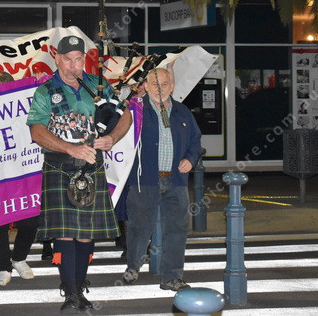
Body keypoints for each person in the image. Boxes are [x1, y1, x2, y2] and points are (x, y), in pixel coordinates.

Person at [26, 35, 132, 312]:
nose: (74, 66)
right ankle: (71, 292)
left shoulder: (98, 85)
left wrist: (112, 138)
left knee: (86, 234)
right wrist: (70, 148)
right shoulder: (45, 91)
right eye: (67, 59)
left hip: (92, 166)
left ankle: (79, 284)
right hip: (59, 166)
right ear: (57, 59)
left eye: (78, 59)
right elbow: (37, 132)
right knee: (64, 234)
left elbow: (125, 115)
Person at [121, 68, 201, 292]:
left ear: (172, 87)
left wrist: (190, 159)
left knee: (177, 229)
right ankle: (133, 266)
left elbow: (195, 140)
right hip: (144, 179)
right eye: (154, 84)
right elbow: (117, 134)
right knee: (138, 226)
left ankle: (172, 277)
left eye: (164, 84)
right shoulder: (134, 109)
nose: (159, 88)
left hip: (176, 181)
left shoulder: (183, 112)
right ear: (146, 86)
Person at [0, 71, 38, 286]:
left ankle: (19, 258)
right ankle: (4, 267)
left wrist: (38, 84)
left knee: (32, 218)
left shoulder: (25, 108)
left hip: (23, 171)